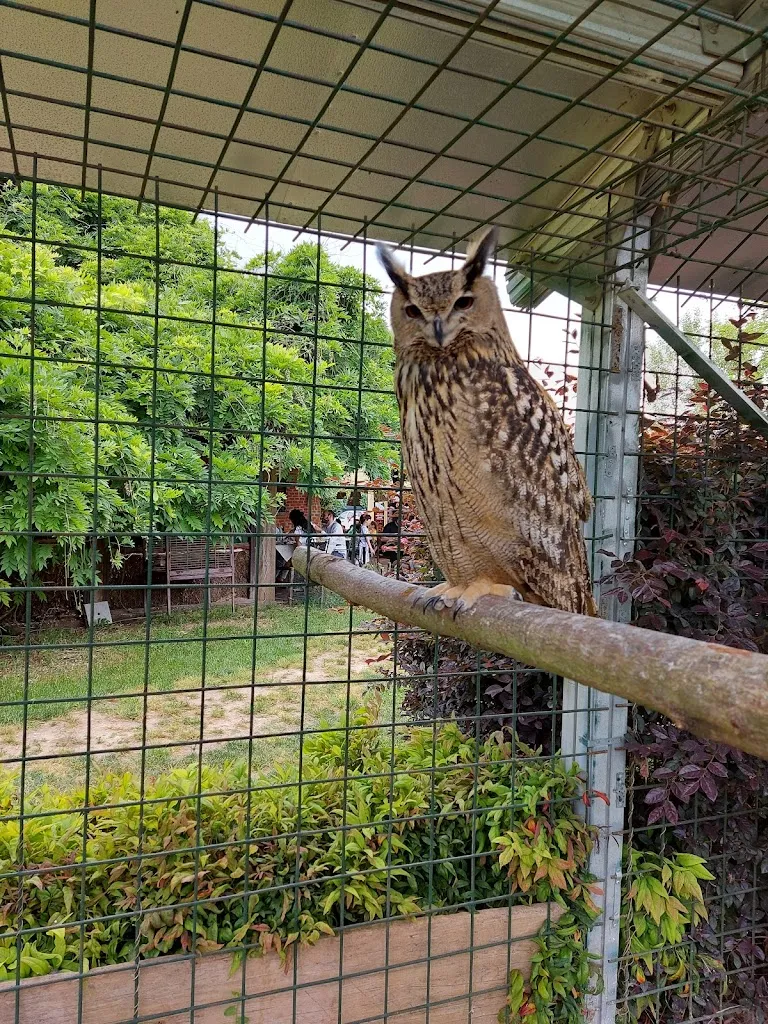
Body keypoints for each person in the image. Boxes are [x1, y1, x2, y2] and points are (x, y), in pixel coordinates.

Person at [378, 508, 401, 573]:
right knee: (394, 557)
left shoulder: (405, 527)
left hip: (402, 548)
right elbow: (382, 538)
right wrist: (393, 539)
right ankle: (393, 569)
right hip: (391, 548)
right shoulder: (389, 526)